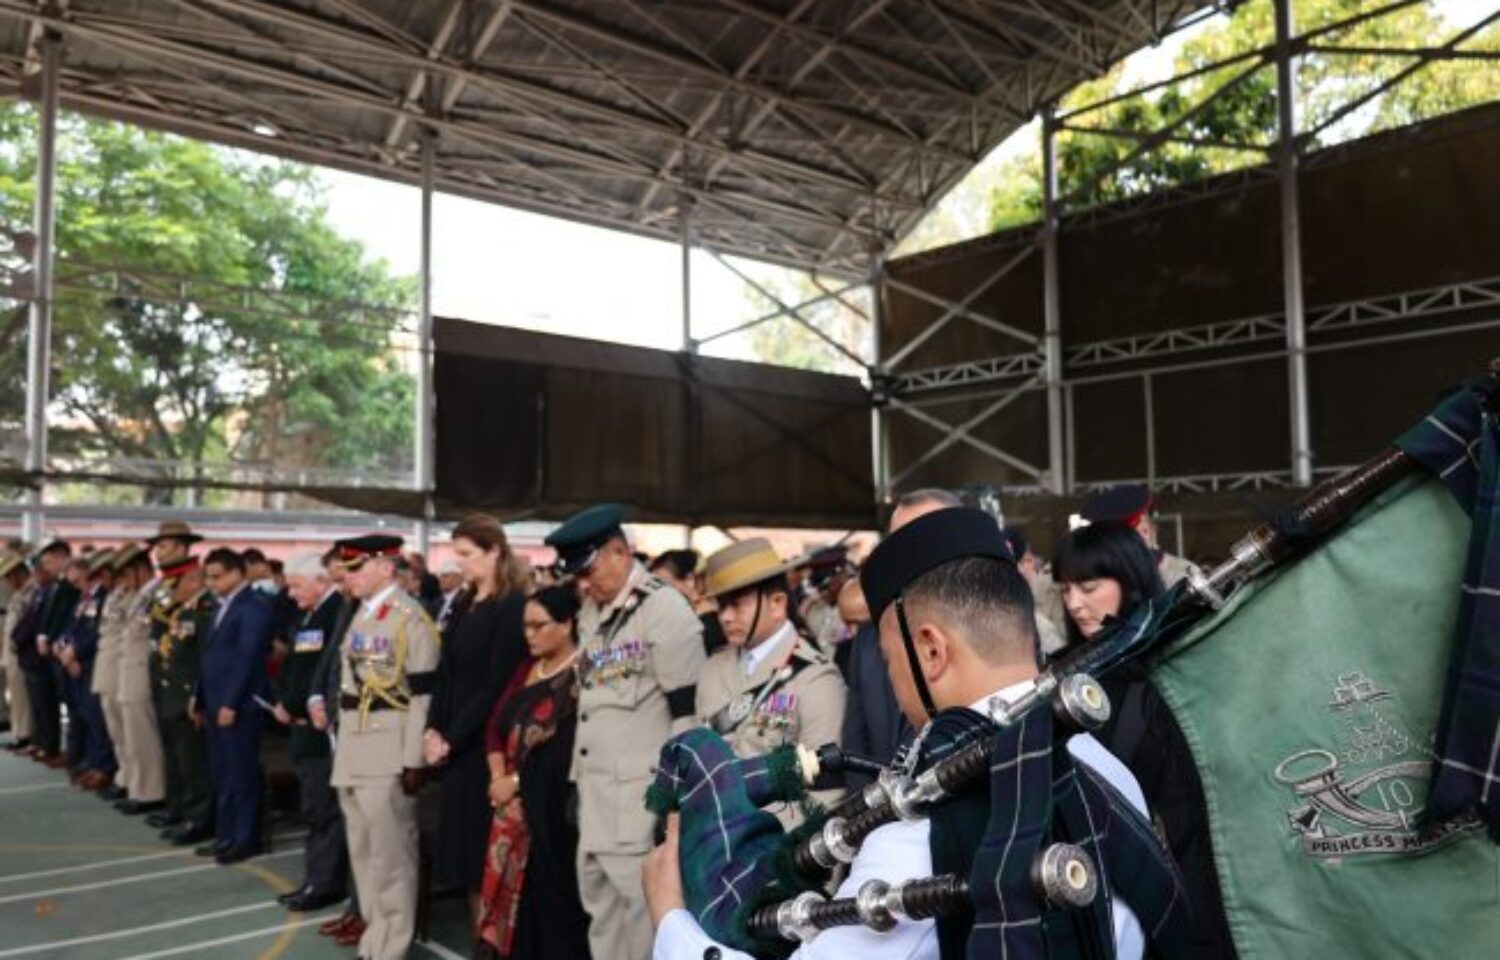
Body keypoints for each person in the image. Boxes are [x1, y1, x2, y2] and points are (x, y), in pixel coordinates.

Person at [646, 507, 1152, 960]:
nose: (893, 685)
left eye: (890, 662)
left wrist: (671, 920)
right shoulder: (1105, 765)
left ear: (931, 651)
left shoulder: (919, 836)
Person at [1052, 521, 1234, 957]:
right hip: (1090, 884)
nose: (1076, 603)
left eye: (1090, 586)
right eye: (1065, 590)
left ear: (1129, 578)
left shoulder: (1175, 668)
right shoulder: (1057, 677)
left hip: (1188, 881)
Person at [544, 503, 705, 960]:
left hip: (639, 802)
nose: (583, 582)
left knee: (641, 924)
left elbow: (687, 715)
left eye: (589, 568)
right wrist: (577, 778)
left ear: (619, 551)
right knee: (602, 919)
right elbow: (593, 703)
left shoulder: (663, 609)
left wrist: (673, 799)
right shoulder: (593, 611)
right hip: (597, 798)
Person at [329, 534, 440, 960]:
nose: (348, 576)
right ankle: (374, 937)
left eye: (356, 568)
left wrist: (413, 759)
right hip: (355, 746)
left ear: (385, 567)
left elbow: (422, 694)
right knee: (363, 851)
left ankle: (392, 945)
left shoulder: (409, 618)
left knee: (391, 856)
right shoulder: (362, 614)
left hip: (387, 747)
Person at [422, 514, 529, 925]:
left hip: (482, 747)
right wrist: (433, 727)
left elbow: (495, 685)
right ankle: (480, 941)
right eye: (457, 554)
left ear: (494, 552)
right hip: (454, 745)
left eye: (466, 554)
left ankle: (491, 945)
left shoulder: (510, 606)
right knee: (467, 861)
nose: (459, 563)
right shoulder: (466, 602)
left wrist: (451, 736)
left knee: (485, 859)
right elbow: (445, 673)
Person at [474, 584, 590, 960]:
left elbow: (563, 753)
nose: (529, 635)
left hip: (551, 813)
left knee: (551, 907)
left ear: (567, 623)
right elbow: (495, 725)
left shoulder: (583, 677)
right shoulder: (526, 668)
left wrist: (517, 783)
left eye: (539, 626)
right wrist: (497, 779)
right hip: (508, 806)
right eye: (526, 626)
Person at [695, 538, 846, 825]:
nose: (725, 617)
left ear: (777, 604)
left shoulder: (815, 678)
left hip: (772, 850)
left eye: (737, 605)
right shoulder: (712, 670)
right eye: (721, 605)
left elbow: (826, 795)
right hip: (709, 841)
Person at [270, 551, 348, 912]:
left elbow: (321, 673)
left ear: (321, 581)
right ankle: (316, 878)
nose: (291, 594)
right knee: (314, 807)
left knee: (323, 810)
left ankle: (325, 883)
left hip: (318, 728)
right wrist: (283, 701)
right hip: (302, 726)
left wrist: (293, 704)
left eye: (298, 586)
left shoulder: (334, 613)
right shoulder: (313, 613)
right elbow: (296, 667)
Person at [194, 548, 274, 864]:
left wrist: (230, 702)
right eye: (208, 577)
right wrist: (198, 696)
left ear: (237, 573)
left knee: (241, 774)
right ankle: (226, 835)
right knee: (222, 773)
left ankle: (245, 838)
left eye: (217, 576)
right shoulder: (221, 606)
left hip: (238, 706)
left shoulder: (253, 607)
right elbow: (209, 657)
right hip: (215, 702)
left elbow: (248, 658)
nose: (211, 584)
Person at [308, 545, 369, 948]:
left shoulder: (386, 614)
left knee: (369, 837)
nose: (341, 583)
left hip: (365, 731)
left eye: (345, 574)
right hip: (339, 724)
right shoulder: (351, 608)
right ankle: (355, 909)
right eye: (336, 576)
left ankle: (365, 914)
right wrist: (317, 698)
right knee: (352, 827)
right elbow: (332, 660)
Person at [152, 555, 217, 845]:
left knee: (195, 765)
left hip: (188, 698)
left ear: (192, 581)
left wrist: (196, 696)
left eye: (174, 584)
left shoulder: (204, 610)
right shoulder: (182, 611)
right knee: (181, 761)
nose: (171, 591)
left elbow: (204, 659)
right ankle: (183, 811)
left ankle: (200, 819)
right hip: (173, 695)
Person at [108, 544, 168, 816]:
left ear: (140, 570)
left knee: (143, 736)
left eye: (126, 573)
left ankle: (151, 791)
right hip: (126, 669)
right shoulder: (138, 596)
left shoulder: (157, 593)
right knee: (130, 736)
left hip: (141, 670)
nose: (123, 581)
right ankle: (137, 786)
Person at [56, 551, 118, 790]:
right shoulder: (84, 600)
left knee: (97, 717)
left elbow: (96, 633)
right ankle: (94, 762)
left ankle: (104, 766)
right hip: (76, 665)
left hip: (91, 663)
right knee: (87, 715)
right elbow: (71, 628)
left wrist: (76, 652)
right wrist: (63, 647)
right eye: (72, 583)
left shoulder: (102, 597)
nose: (77, 586)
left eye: (79, 581)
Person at [15, 540, 78, 767]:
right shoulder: (53, 587)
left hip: (63, 651)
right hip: (50, 652)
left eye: (49, 562)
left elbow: (65, 619)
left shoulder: (68, 587)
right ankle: (57, 748)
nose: (46, 568)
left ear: (62, 557)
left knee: (68, 706)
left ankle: (63, 750)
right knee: (50, 703)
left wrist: (49, 637)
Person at [1079, 485, 1201, 587]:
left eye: (1146, 518)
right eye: (1134, 526)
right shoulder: (1095, 584)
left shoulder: (1184, 573)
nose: (1145, 529)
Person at [649, 549, 725, 657]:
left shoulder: (710, 625)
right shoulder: (683, 617)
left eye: (663, 586)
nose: (657, 594)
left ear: (690, 580)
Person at [0, 550, 33, 752]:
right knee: (17, 693)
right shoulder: (20, 593)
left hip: (22, 650)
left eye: (10, 577)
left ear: (18, 573)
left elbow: (29, 622)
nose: (8, 582)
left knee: (23, 695)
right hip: (12, 650)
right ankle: (20, 733)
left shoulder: (31, 592)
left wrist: (16, 640)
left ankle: (26, 735)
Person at [433, 558, 464, 633]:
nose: (441, 579)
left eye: (445, 576)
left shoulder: (464, 601)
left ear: (458, 578)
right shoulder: (436, 602)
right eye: (440, 576)